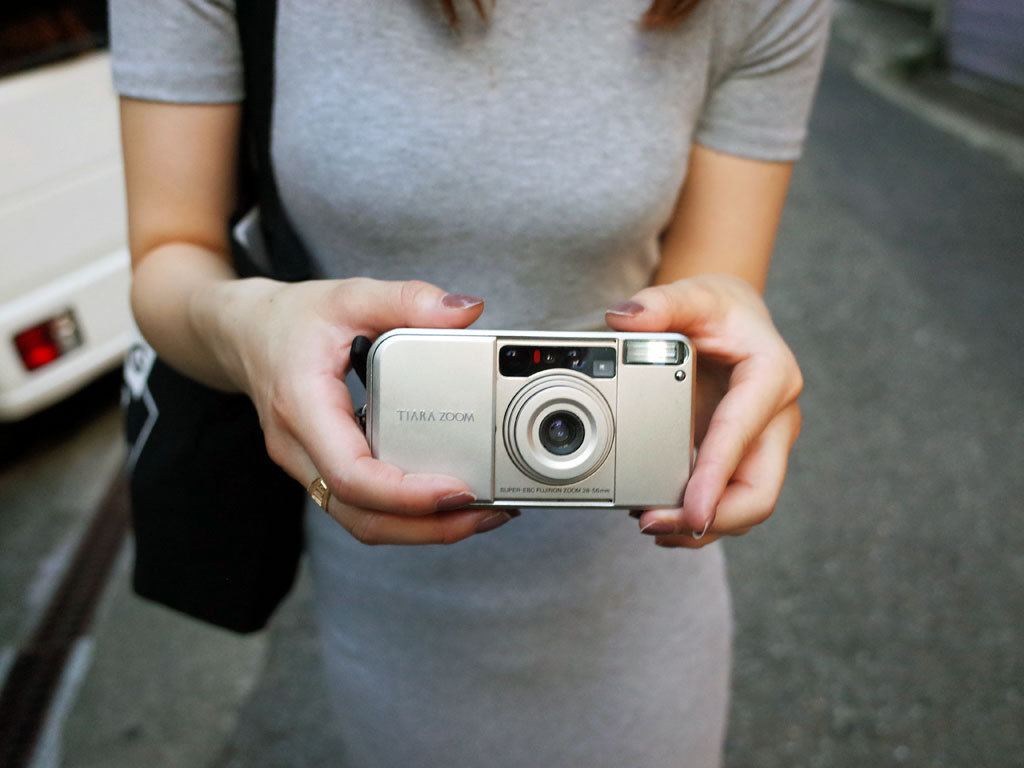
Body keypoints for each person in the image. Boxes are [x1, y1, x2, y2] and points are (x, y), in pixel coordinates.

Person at [110, 0, 827, 764]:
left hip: (631, 591)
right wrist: (252, 327)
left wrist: (728, 364)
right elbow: (169, 252)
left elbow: (706, 303)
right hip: (382, 587)